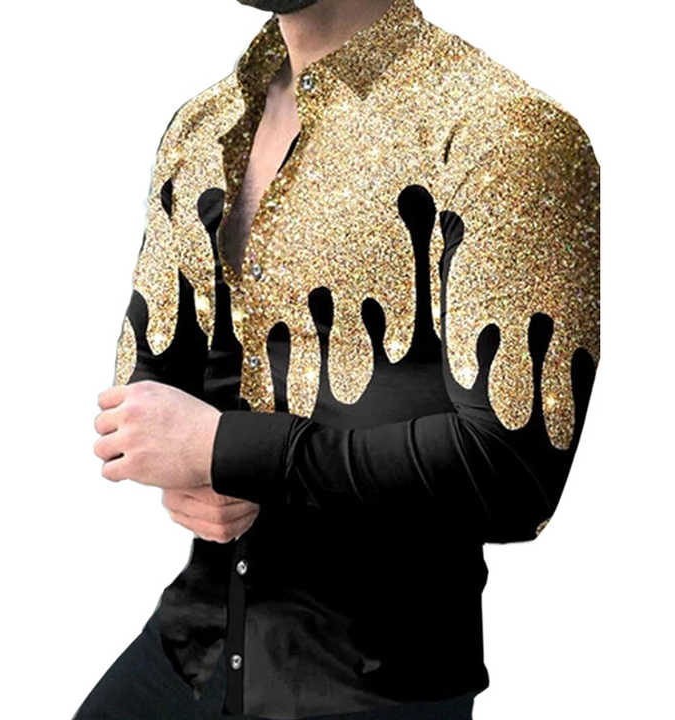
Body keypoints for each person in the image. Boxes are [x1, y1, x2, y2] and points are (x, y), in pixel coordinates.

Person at [78, 0, 600, 717]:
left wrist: (228, 448)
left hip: (373, 683)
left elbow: (513, 476)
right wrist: (185, 465)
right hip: (194, 646)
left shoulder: (502, 134)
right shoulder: (203, 123)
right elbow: (148, 386)